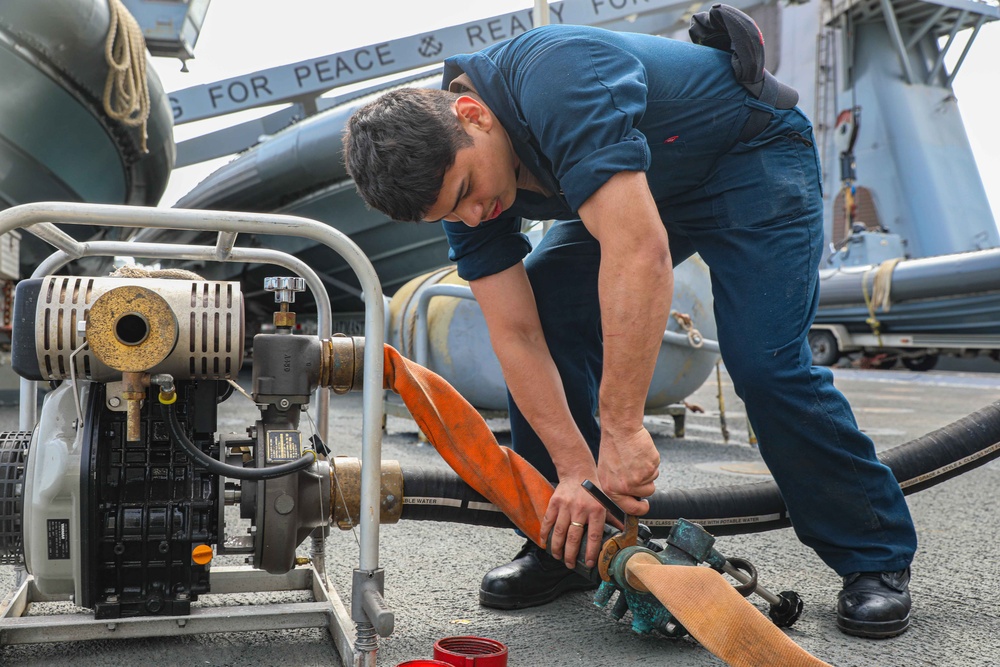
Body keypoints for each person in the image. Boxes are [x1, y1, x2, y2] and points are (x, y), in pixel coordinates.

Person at [343, 8, 916, 638]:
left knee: (765, 363)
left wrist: (621, 431)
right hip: (642, 186)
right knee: (550, 304)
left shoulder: (556, 78)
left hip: (749, 155)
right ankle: (568, 542)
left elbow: (637, 250)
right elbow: (515, 331)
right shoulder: (461, 188)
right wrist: (574, 469)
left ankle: (873, 558)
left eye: (466, 192)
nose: (476, 216)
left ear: (472, 116)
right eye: (452, 214)